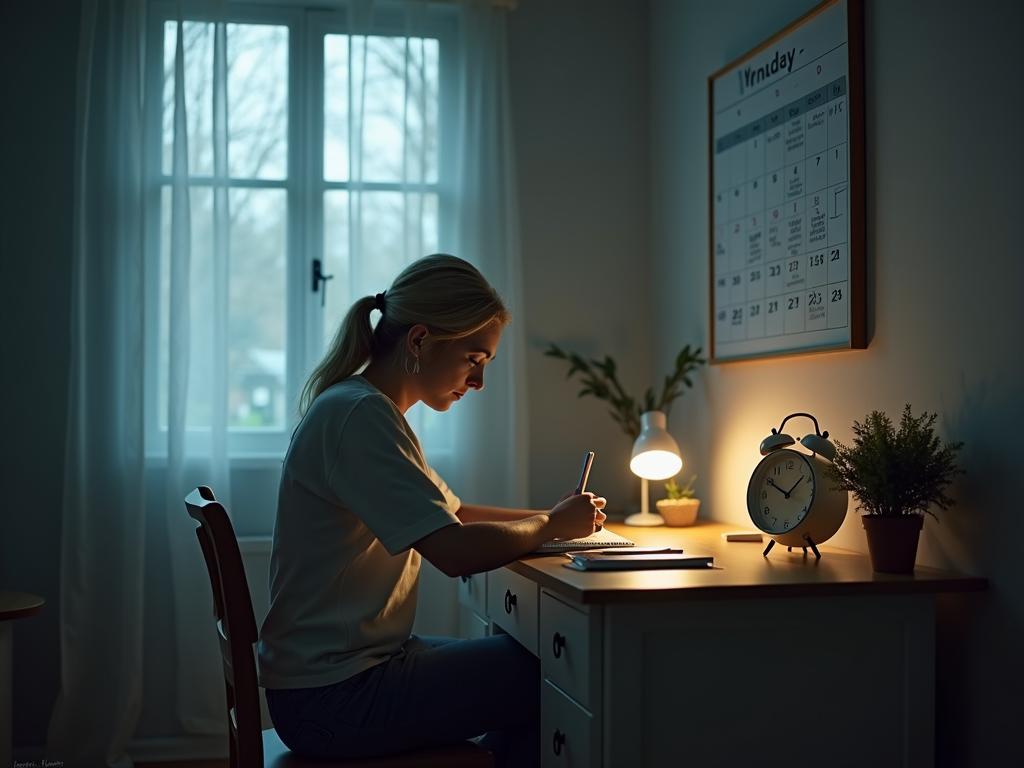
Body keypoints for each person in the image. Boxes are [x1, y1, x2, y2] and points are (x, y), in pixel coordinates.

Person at [257, 254, 606, 767]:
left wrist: (556, 516)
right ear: (418, 341)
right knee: (552, 670)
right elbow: (453, 550)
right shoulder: (360, 415)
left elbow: (454, 514)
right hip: (333, 697)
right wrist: (553, 525)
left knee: (538, 661)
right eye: (474, 358)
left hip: (336, 679)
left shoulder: (367, 407)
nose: (479, 381)